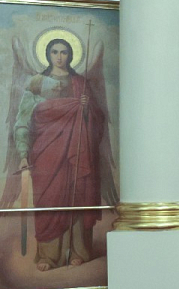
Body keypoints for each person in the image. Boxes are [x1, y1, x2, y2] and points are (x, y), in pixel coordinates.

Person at [3, 37, 110, 271]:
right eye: (54, 52)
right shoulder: (36, 82)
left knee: (77, 194)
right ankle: (49, 256)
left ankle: (79, 251)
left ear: (70, 55)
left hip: (77, 151)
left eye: (64, 52)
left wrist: (87, 109)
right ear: (47, 54)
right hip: (46, 153)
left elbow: (98, 122)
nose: (59, 57)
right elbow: (22, 121)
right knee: (49, 199)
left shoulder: (80, 83)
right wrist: (23, 153)